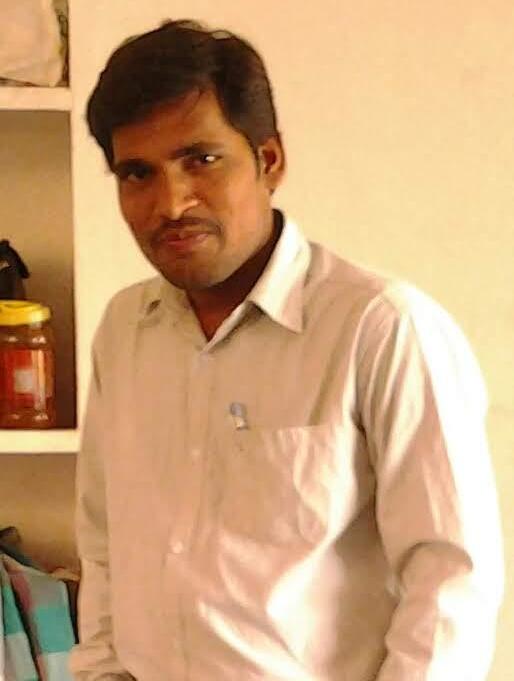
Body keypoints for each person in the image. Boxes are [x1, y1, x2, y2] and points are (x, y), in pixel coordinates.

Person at [70, 19, 503, 681]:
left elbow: (451, 580)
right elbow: (104, 543)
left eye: (200, 159)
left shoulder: (381, 329)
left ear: (269, 160)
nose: (171, 202)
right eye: (138, 173)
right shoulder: (125, 330)